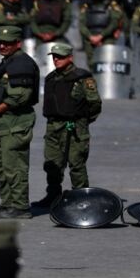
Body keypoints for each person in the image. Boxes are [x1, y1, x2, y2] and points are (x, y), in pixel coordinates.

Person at [0, 26, 39, 219]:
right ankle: (8, 203)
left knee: (15, 166)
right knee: (0, 164)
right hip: (5, 121)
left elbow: (22, 95)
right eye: (0, 43)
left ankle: (21, 207)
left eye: (8, 43)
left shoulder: (22, 63)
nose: (3, 46)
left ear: (18, 43)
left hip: (17, 120)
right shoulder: (9, 61)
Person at [32, 43, 101, 208]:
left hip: (75, 126)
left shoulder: (82, 78)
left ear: (70, 58)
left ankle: (82, 198)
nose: (56, 60)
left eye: (60, 57)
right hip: (53, 127)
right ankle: (53, 195)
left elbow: (95, 103)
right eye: (54, 57)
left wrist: (83, 121)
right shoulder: (51, 78)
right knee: (52, 164)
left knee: (76, 163)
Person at [79, 0, 124, 64]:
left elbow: (114, 23)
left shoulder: (111, 7)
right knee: (92, 64)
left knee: (106, 63)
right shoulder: (86, 7)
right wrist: (90, 37)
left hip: (106, 38)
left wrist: (101, 36)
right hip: (90, 39)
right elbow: (81, 25)